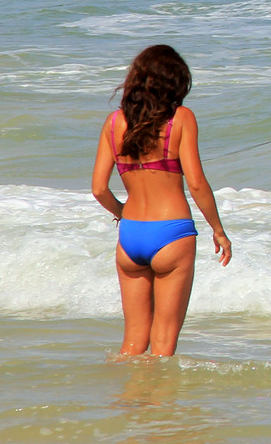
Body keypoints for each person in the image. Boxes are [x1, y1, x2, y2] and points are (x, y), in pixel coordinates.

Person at [91, 45, 232, 359]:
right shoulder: (181, 118)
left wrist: (122, 212)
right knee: (163, 344)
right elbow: (196, 183)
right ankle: (158, 394)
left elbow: (99, 188)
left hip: (130, 235)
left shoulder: (113, 123)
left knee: (132, 344)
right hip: (172, 233)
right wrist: (218, 230)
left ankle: (125, 391)